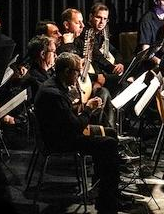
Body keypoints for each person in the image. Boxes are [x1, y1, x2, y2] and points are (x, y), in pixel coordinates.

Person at [34, 52, 124, 214]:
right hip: (60, 140)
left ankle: (103, 189)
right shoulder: (53, 93)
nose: (79, 76)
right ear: (67, 71)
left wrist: (79, 104)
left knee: (110, 133)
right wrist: (89, 109)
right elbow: (75, 127)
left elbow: (68, 118)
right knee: (109, 143)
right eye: (77, 72)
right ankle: (108, 202)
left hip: (64, 133)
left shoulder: (57, 86)